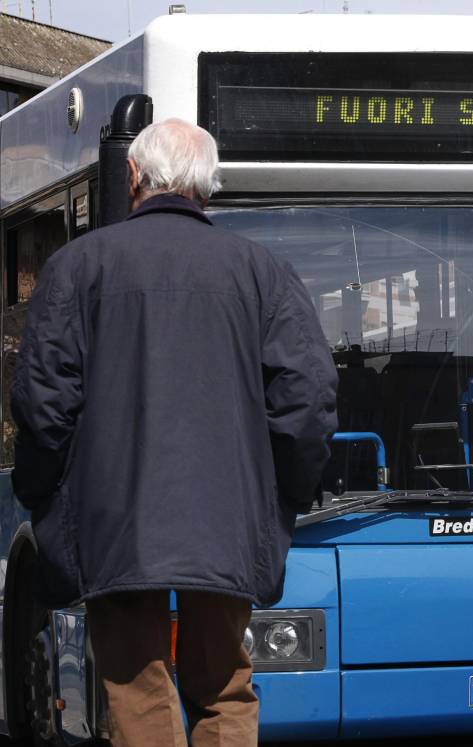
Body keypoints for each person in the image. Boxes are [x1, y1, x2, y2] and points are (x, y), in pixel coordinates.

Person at [10, 118, 338, 747]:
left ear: (132, 176)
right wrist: (286, 497)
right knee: (224, 688)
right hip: (228, 521)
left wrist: (42, 494)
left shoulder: (76, 267)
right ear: (207, 188)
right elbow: (307, 397)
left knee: (138, 688)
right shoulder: (263, 272)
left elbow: (44, 403)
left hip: (114, 522)